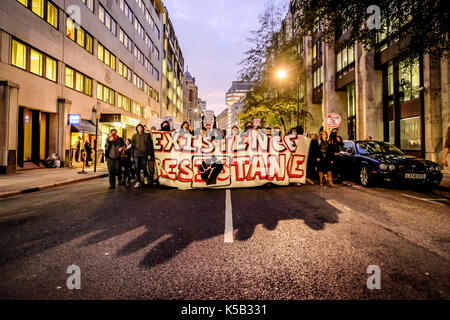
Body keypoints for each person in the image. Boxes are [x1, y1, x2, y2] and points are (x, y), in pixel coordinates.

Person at [132, 124, 155, 188]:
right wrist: (132, 156)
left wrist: (149, 154)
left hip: (144, 154)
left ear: (142, 128)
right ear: (137, 129)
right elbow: (132, 146)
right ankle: (138, 181)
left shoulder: (147, 135)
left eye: (140, 127)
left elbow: (149, 145)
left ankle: (145, 177)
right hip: (136, 154)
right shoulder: (134, 136)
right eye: (138, 128)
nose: (139, 129)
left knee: (144, 167)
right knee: (137, 168)